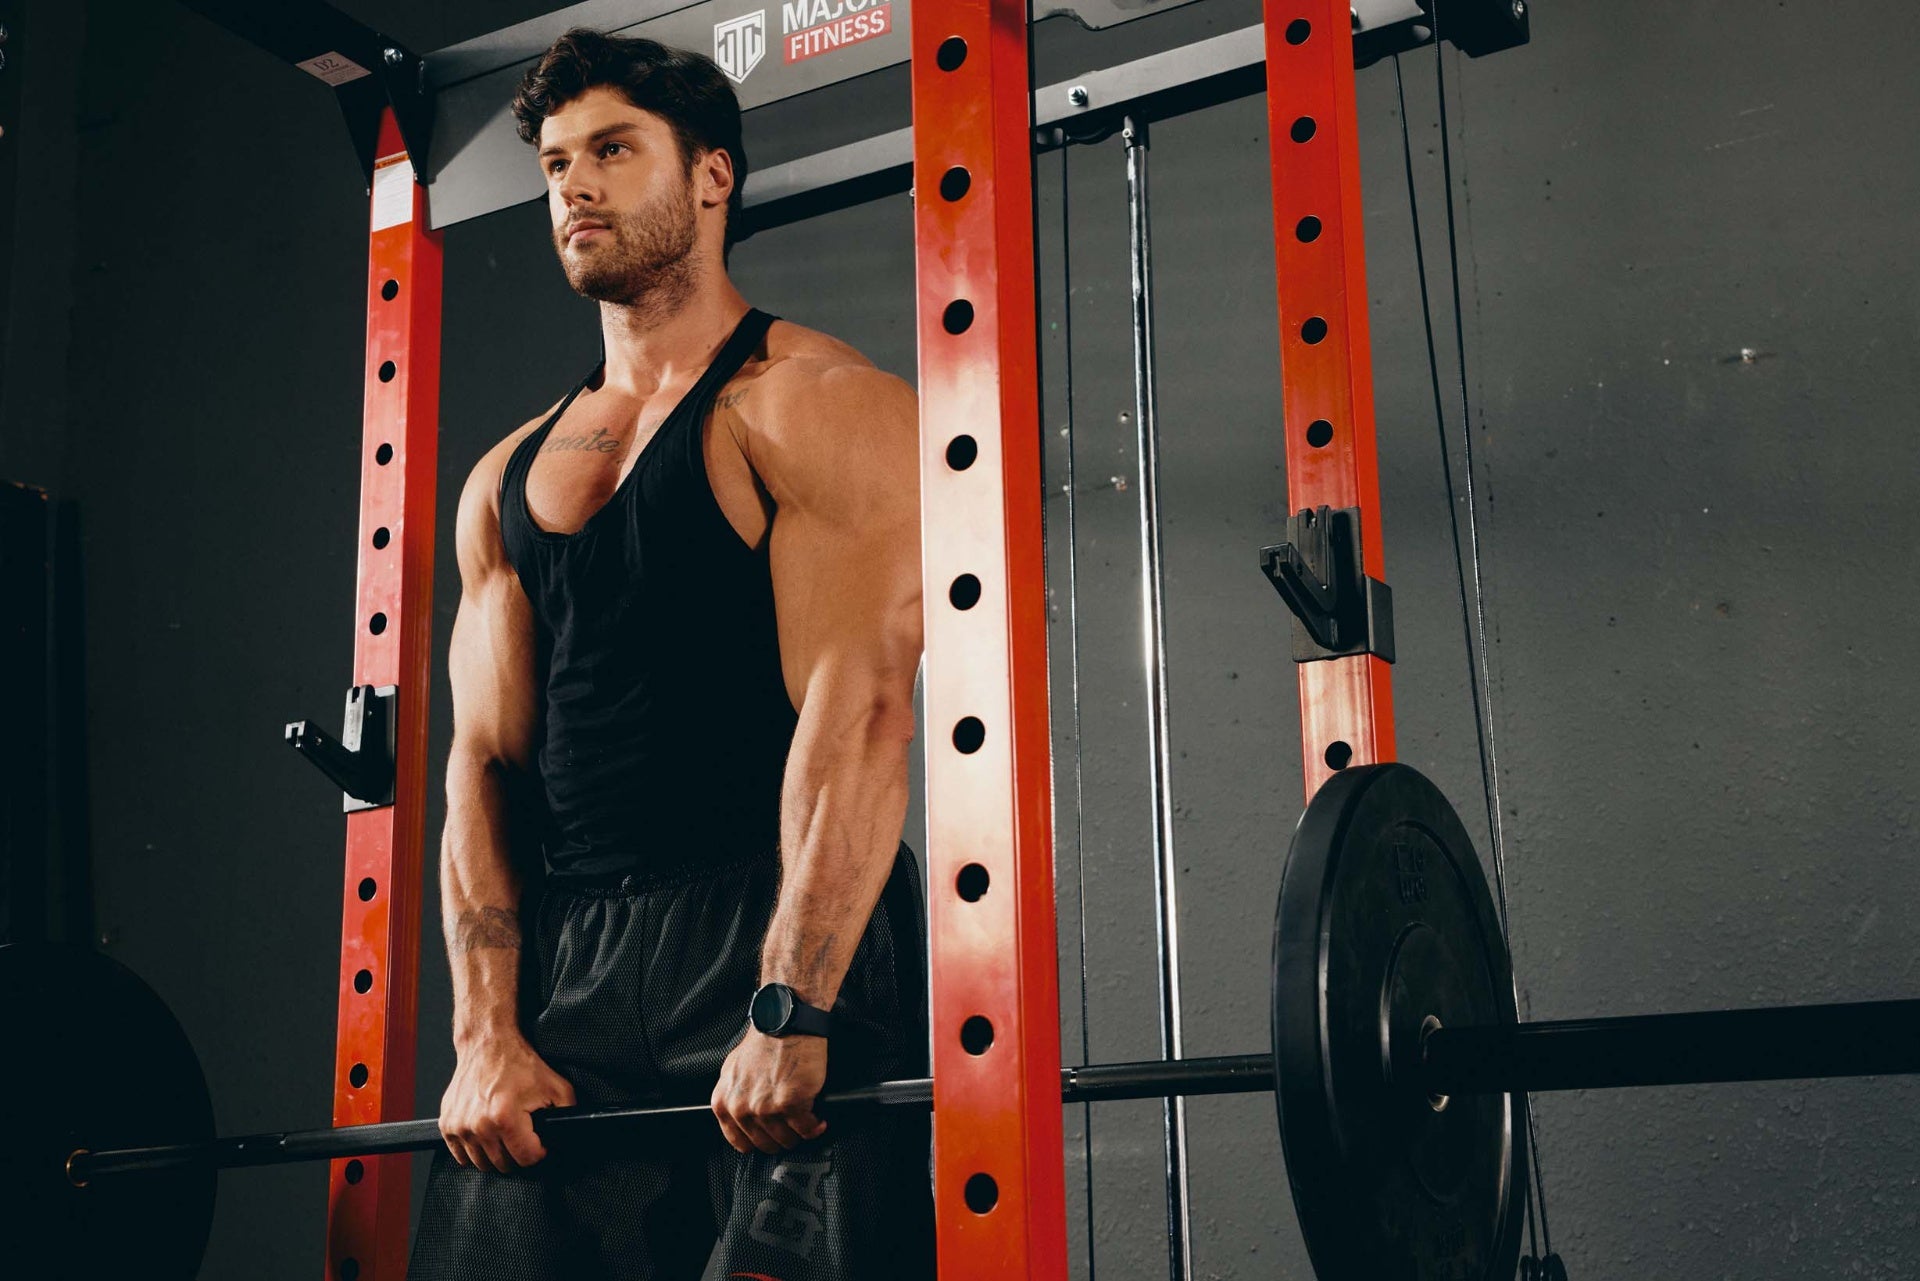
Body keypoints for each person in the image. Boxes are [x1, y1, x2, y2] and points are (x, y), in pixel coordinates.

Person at [407, 27, 933, 1281]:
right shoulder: (507, 478)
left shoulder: (811, 404)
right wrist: (485, 1031)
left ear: (712, 175)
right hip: (575, 957)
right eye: (552, 165)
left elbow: (858, 710)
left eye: (611, 151)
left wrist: (792, 1002)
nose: (572, 187)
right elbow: (482, 767)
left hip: (774, 916)